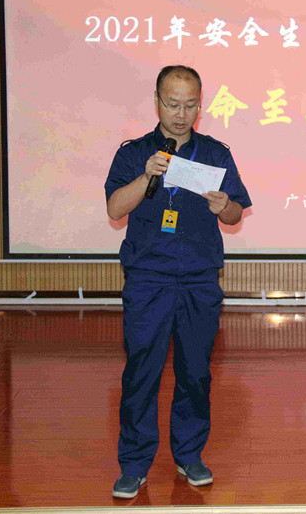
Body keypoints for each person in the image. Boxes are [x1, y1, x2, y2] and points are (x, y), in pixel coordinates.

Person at [104, 65, 251, 498]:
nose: (181, 114)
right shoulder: (134, 152)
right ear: (157, 102)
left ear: (200, 106)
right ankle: (134, 464)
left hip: (199, 280)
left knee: (195, 373)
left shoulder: (216, 154)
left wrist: (224, 206)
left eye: (189, 105)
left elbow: (235, 214)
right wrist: (146, 175)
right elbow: (115, 209)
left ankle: (189, 455)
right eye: (172, 104)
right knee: (141, 373)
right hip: (148, 279)